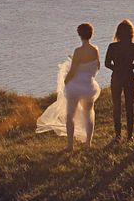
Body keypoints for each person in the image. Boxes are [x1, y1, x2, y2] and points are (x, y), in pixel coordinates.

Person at [36, 22, 101, 151]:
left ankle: (70, 145)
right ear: (91, 34)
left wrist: (65, 82)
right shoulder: (95, 50)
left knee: (70, 115)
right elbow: (97, 67)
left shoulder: (78, 51)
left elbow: (73, 72)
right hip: (89, 87)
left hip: (75, 88)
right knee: (89, 113)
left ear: (79, 35)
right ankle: (88, 143)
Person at [104, 19, 134, 141]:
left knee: (117, 106)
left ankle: (118, 135)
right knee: (129, 106)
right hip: (129, 78)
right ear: (131, 33)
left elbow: (106, 63)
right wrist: (129, 66)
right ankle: (129, 135)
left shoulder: (112, 46)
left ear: (118, 33)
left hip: (116, 77)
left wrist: (116, 68)